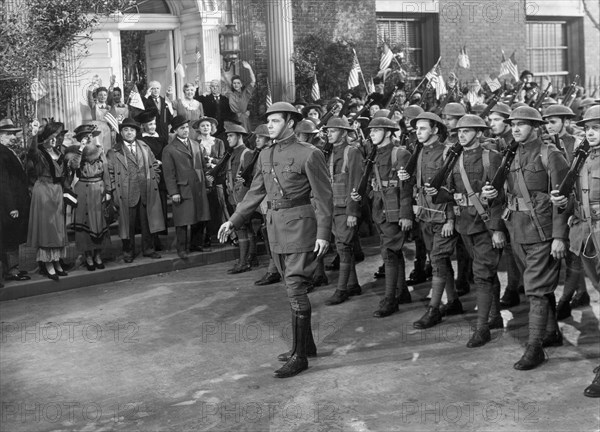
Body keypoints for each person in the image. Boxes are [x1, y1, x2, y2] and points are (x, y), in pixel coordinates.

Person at [218, 102, 332, 378]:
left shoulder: (309, 154)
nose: (269, 125)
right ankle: (306, 344)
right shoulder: (266, 154)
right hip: (275, 228)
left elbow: (324, 197)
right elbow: (255, 193)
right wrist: (233, 221)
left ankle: (299, 356)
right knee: (289, 286)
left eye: (276, 121)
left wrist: (323, 234)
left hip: (301, 228)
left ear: (290, 123)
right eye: (268, 121)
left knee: (295, 288)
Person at [481, 106, 569, 370]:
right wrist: (495, 218)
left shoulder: (550, 155)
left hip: (542, 232)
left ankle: (535, 347)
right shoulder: (510, 154)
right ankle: (551, 332)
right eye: (514, 124)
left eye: (522, 124)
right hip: (516, 230)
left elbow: (564, 200)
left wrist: (558, 236)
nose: (516, 128)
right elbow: (502, 195)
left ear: (536, 127)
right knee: (539, 287)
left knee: (534, 290)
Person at [425, 115, 505, 347]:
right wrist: (436, 192)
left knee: (482, 273)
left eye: (467, 131)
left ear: (479, 133)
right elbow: (451, 193)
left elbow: (501, 196)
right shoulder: (455, 157)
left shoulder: (491, 157)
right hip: (464, 224)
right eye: (459, 131)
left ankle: (482, 329)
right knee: (485, 270)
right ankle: (495, 316)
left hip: (486, 224)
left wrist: (497, 229)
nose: (461, 135)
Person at [550, 104, 600, 396]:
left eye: (597, 128)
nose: (591, 133)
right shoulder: (582, 158)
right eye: (588, 128)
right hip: (586, 237)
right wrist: (563, 203)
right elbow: (575, 196)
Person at [398, 112, 462, 329]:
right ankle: (453, 302)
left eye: (423, 128)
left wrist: (450, 219)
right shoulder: (419, 152)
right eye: (417, 128)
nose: (418, 132)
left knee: (437, 260)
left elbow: (454, 188)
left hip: (443, 217)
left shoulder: (447, 152)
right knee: (440, 261)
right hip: (425, 215)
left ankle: (434, 309)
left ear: (435, 130)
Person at [352, 117, 414, 316]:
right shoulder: (373, 154)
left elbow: (406, 188)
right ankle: (401, 291)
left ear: (388, 132)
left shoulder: (400, 154)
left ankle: (390, 299)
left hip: (394, 210)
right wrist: (364, 195)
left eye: (376, 130)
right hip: (379, 209)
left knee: (388, 253)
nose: (371, 134)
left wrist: (406, 215)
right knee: (393, 251)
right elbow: (370, 182)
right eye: (371, 131)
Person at [542, 104, 589, 319]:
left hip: (573, 206)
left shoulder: (578, 144)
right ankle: (581, 292)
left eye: (553, 122)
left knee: (573, 255)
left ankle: (565, 300)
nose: (549, 126)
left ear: (566, 122)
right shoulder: (543, 145)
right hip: (550, 206)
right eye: (547, 122)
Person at [482, 102, 524, 310]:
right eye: (491, 120)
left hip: (517, 204)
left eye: (497, 119)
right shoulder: (500, 142)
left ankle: (514, 288)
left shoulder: (514, 143)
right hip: (505, 203)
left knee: (514, 250)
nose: (492, 123)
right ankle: (517, 286)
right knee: (510, 250)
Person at [106, 118, 164, 263]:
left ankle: (149, 249)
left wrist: (154, 179)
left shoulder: (144, 146)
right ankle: (128, 252)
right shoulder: (114, 151)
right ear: (121, 132)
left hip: (145, 190)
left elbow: (154, 165)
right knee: (128, 225)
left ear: (136, 132)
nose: (129, 133)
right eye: (126, 130)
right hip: (126, 192)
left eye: (132, 130)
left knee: (147, 222)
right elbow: (110, 174)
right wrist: (114, 191)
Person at [321, 117, 364, 306]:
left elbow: (356, 183)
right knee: (344, 245)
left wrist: (353, 212)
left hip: (345, 207)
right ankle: (353, 284)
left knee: (343, 247)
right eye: (328, 131)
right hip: (333, 207)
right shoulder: (329, 152)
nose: (328, 133)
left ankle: (342, 289)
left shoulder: (352, 152)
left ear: (344, 133)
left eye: (333, 130)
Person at [162, 116, 211, 259]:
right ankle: (181, 248)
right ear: (175, 131)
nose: (185, 130)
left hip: (198, 186)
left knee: (200, 216)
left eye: (186, 127)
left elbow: (202, 164)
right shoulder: (169, 149)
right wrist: (173, 192)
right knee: (183, 220)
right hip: (183, 188)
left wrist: (207, 183)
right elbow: (169, 174)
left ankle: (196, 244)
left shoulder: (196, 144)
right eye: (181, 128)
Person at [26, 122, 69, 280]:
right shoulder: (40, 151)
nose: (55, 139)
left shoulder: (59, 151)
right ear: (46, 137)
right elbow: (31, 151)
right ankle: (47, 264)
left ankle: (56, 260)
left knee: (57, 227)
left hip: (56, 190)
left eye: (57, 136)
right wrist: (34, 133)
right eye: (52, 136)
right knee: (47, 226)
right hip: (43, 190)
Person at [67, 125, 111, 271]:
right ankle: (88, 256)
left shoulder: (100, 151)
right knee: (84, 223)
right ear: (80, 138)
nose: (88, 138)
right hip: (83, 190)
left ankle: (98, 254)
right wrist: (81, 148)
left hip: (98, 189)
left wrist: (108, 189)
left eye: (90, 135)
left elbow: (106, 171)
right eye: (85, 136)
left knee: (99, 222)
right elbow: (74, 166)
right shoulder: (75, 152)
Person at [0, 119, 31, 284]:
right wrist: (12, 206)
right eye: (9, 134)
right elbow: (3, 182)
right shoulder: (1, 152)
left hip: (16, 203)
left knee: (13, 237)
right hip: (8, 206)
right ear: (1, 136)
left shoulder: (8, 151)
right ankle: (12, 270)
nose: (14, 137)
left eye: (14, 133)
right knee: (10, 238)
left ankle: (13, 268)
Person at [223, 122, 256, 273]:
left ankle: (244, 262)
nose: (228, 139)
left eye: (231, 136)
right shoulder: (233, 154)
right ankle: (250, 258)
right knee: (246, 228)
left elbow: (252, 178)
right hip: (234, 197)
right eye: (228, 136)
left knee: (242, 228)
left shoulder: (247, 153)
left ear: (239, 136)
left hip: (243, 198)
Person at [252, 124, 282, 286]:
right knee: (269, 233)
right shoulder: (262, 154)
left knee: (274, 235)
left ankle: (274, 270)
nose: (256, 140)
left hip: (277, 199)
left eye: (259, 137)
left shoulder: (274, 153)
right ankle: (274, 269)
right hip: (266, 198)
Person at [137, 110, 169, 251]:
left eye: (154, 124)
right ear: (143, 126)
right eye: (149, 124)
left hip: (160, 177)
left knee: (159, 209)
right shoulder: (141, 141)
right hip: (147, 177)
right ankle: (150, 240)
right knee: (149, 210)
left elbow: (166, 154)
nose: (152, 127)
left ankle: (157, 239)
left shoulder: (161, 138)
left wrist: (162, 162)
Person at [193, 116, 227, 246]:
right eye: (203, 126)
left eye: (208, 125)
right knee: (203, 207)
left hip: (216, 178)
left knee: (217, 206)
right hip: (201, 178)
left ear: (211, 127)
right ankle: (205, 237)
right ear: (199, 128)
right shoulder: (195, 143)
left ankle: (217, 235)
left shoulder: (218, 142)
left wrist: (212, 162)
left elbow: (223, 160)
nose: (205, 128)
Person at [222, 61, 256, 131]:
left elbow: (253, 81)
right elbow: (226, 83)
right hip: (233, 118)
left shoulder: (246, 93)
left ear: (241, 84)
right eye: (234, 83)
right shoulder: (230, 94)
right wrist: (223, 75)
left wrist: (249, 68)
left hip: (243, 118)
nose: (236, 85)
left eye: (238, 83)